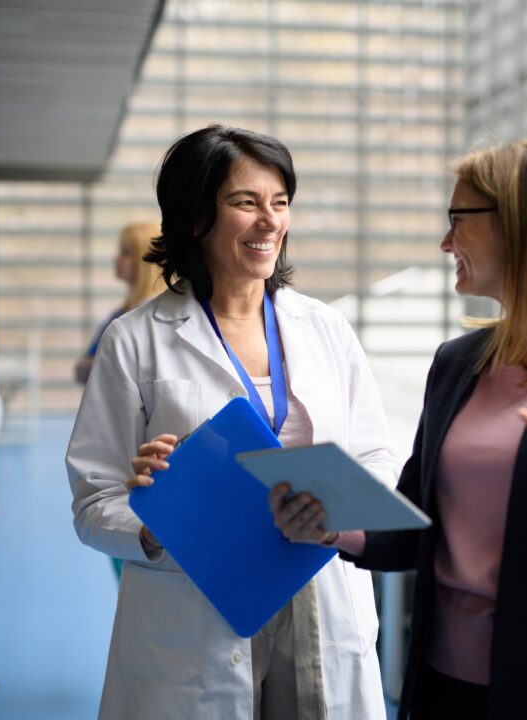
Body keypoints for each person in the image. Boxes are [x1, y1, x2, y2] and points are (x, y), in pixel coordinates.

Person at [274, 138, 527, 719]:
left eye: (458, 221)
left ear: (524, 225)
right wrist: (332, 528)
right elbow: (416, 522)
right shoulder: (457, 363)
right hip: (443, 691)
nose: (446, 243)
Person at [65, 125, 399, 720]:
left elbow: (377, 460)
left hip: (318, 590)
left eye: (280, 203)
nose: (269, 221)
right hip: (195, 598)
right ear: (195, 218)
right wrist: (152, 522)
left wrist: (336, 507)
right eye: (245, 203)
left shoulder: (325, 329)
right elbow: (94, 500)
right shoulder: (136, 339)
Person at [73, 221, 163, 386]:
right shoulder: (121, 314)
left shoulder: (155, 316)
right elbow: (82, 369)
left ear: (144, 259)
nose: (116, 259)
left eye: (125, 252)